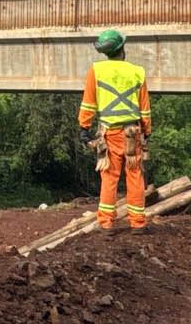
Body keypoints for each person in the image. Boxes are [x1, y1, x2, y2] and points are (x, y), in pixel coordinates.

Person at [77, 28, 152, 231]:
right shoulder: (137, 72)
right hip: (132, 133)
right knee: (135, 175)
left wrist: (84, 127)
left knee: (109, 176)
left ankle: (106, 223)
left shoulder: (97, 71)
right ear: (122, 48)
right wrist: (147, 131)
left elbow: (89, 103)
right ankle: (138, 223)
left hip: (109, 134)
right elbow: (144, 107)